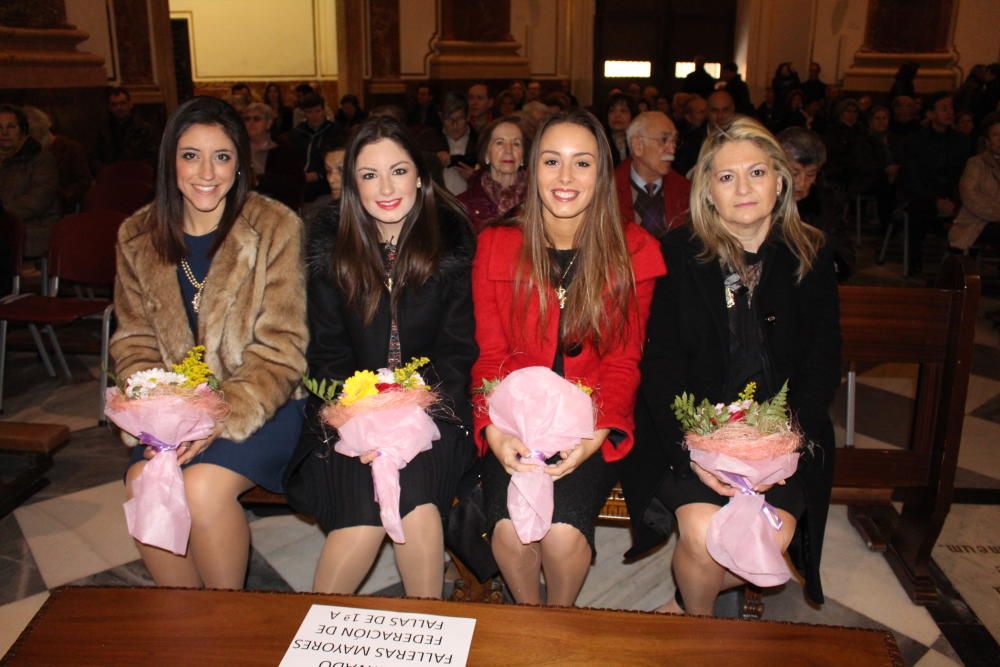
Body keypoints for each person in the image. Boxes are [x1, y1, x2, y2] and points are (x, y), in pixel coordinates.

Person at [621, 116, 841, 615]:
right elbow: (661, 364)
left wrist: (781, 444)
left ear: (780, 181)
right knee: (701, 533)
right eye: (726, 177)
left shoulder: (812, 254)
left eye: (757, 173)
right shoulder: (678, 253)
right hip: (690, 432)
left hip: (785, 433)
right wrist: (696, 447)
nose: (743, 188)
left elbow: (822, 364)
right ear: (708, 192)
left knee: (767, 540)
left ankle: (684, 605)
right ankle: (698, 631)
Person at [470, 109, 665, 606]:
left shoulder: (633, 249)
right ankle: (530, 618)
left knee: (560, 535)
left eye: (583, 163)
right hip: (515, 420)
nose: (565, 177)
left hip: (589, 421)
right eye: (552, 161)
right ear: (533, 169)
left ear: (603, 174)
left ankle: (561, 619)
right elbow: (490, 355)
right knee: (512, 533)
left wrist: (595, 435)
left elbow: (624, 361)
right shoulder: (497, 244)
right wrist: (495, 431)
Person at [113, 96, 308, 589]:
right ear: (170, 161)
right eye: (190, 155)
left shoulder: (274, 227)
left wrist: (217, 414)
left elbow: (281, 349)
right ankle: (187, 626)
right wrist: (160, 412)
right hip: (173, 416)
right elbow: (134, 341)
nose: (207, 172)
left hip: (263, 403)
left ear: (240, 162)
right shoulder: (137, 235)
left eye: (222, 156)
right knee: (141, 483)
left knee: (200, 488)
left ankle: (227, 621)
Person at [283, 116, 477, 599]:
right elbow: (326, 352)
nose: (386, 187)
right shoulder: (331, 250)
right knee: (361, 522)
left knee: (415, 506)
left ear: (421, 176)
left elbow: (457, 350)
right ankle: (312, 638)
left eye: (398, 170)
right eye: (369, 175)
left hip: (435, 407)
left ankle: (426, 633)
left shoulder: (452, 245)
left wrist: (410, 409)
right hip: (348, 411)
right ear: (351, 184)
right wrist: (358, 416)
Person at [899, 92, 970, 274]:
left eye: (951, 108)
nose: (950, 112)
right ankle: (915, 263)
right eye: (944, 108)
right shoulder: (915, 141)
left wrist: (953, 199)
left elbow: (963, 176)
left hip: (953, 196)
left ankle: (958, 264)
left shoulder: (961, 141)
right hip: (923, 196)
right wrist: (935, 200)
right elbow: (912, 178)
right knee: (918, 211)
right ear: (930, 114)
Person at [780, 127, 856, 280]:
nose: (801, 184)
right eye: (794, 173)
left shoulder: (826, 203)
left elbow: (845, 258)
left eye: (810, 174)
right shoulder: (761, 201)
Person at [614, 111, 691, 237]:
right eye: (664, 140)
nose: (672, 149)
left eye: (674, 141)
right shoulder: (607, 191)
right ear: (637, 145)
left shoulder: (686, 190)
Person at [0, 104, 60, 259]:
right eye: (0, 127)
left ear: (22, 130)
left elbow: (38, 200)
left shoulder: (42, 159)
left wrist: (4, 214)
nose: (4, 132)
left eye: (11, 127)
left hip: (34, 227)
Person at [458, 116, 529, 232]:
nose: (508, 150)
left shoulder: (538, 201)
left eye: (516, 144)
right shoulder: (462, 205)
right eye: (500, 143)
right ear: (486, 154)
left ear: (522, 157)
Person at [24, 105, 92, 214]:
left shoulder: (72, 149)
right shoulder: (24, 152)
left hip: (60, 207)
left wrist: (62, 195)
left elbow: (84, 182)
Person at [948, 112, 1000, 251]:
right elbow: (970, 197)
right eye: (996, 135)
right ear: (987, 141)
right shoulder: (976, 163)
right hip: (977, 222)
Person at [243, 102, 304, 211]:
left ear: (269, 123)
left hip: (278, 208)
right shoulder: (236, 149)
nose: (251, 123)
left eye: (257, 119)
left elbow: (294, 183)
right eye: (247, 119)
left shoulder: (284, 149)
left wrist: (258, 180)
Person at [849, 105, 899, 232]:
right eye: (878, 118)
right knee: (885, 186)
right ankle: (887, 225)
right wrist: (885, 170)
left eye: (885, 118)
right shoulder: (863, 140)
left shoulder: (894, 139)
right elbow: (863, 166)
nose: (882, 121)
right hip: (868, 179)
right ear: (870, 121)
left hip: (894, 176)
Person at [291, 93, 343, 205]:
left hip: (324, 185)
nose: (314, 116)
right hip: (300, 185)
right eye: (309, 112)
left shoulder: (334, 131)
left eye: (318, 111)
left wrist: (318, 174)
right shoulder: (297, 133)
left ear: (324, 110)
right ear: (304, 113)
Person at [93, 87, 157, 173]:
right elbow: (95, 158)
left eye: (122, 103)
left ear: (130, 104)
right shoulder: (103, 131)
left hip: (137, 176)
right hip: (111, 176)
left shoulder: (144, 130)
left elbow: (152, 157)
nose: (119, 108)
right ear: (109, 108)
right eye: (114, 105)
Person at [603, 93, 639, 166]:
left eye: (623, 111)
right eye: (612, 111)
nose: (617, 115)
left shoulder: (639, 141)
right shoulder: (600, 141)